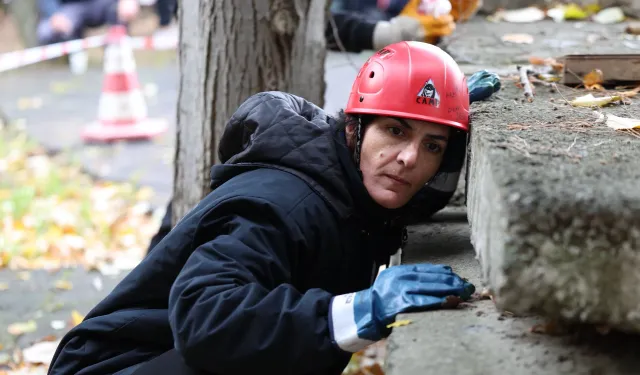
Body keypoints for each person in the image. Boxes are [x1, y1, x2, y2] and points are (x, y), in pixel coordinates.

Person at [47, 41, 496, 375]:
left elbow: (408, 179)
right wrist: (359, 311)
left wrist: (445, 108)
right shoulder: (283, 205)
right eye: (395, 131)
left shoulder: (353, 182)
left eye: (432, 146)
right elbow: (207, 318)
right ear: (355, 129)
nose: (410, 160)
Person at [36, 0, 140, 45]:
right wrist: (54, 14)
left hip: (103, 4)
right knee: (45, 31)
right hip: (72, 8)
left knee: (119, 11)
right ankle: (67, 59)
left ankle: (116, 53)